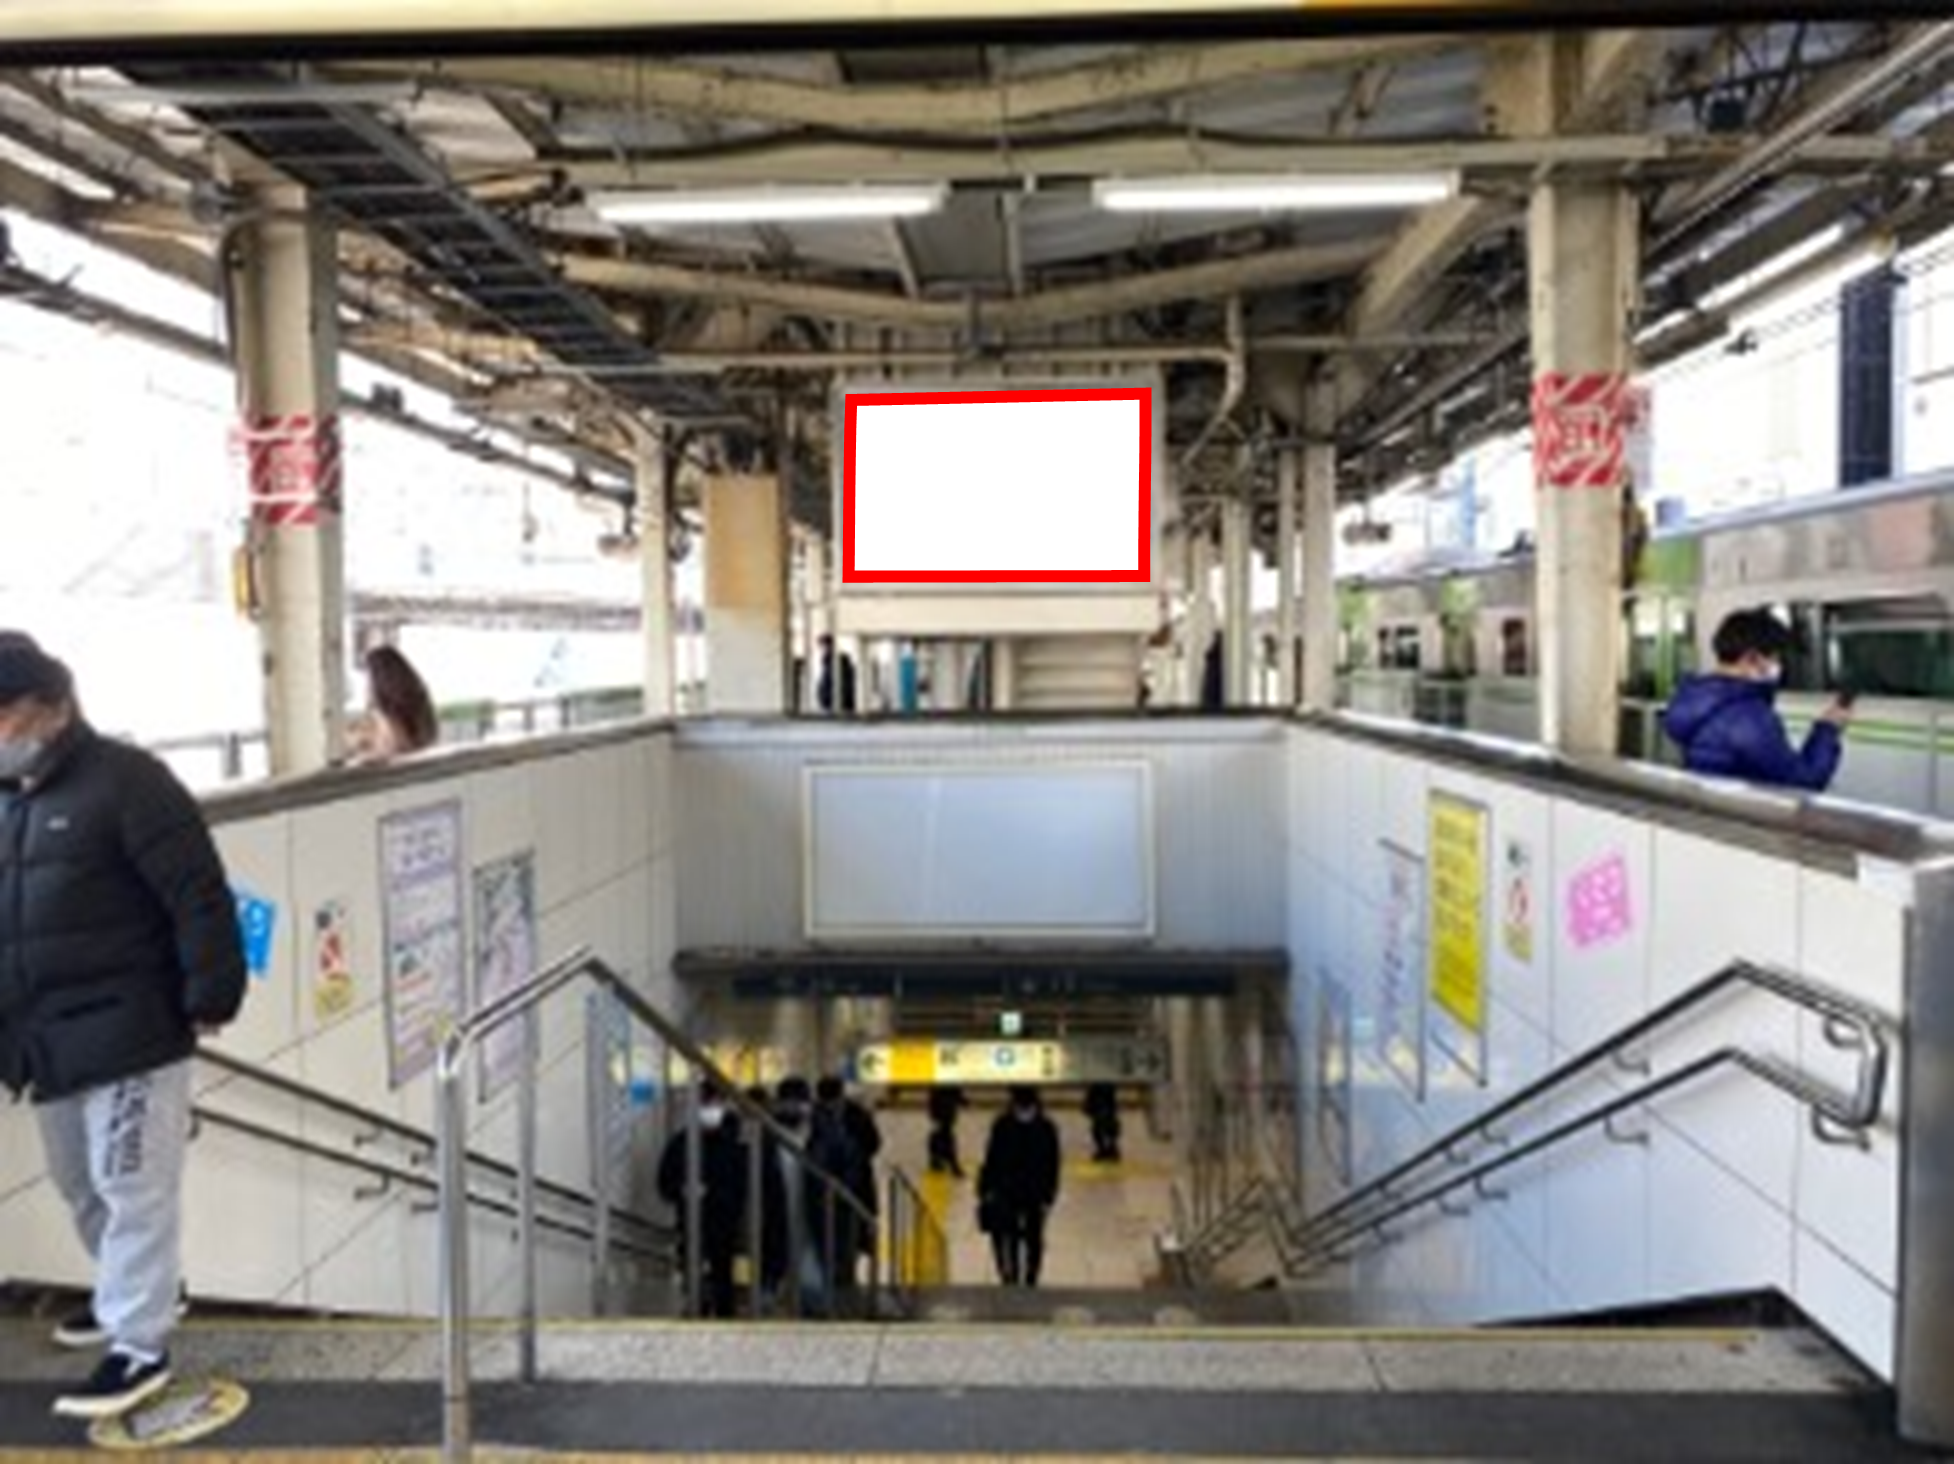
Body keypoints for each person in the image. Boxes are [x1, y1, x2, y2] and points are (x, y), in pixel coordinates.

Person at [0, 633, 247, 1418]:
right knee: (80, 1186)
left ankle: (139, 1344)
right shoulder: (8, 800)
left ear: (54, 707)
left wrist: (212, 992)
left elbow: (197, 893)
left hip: (134, 1028)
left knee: (131, 1185)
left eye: (4, 714)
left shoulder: (128, 780)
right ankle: (136, 1291)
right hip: (47, 1039)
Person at [1661, 608, 1852, 793]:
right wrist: (1828, 730)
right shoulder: (1749, 717)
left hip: (1711, 807)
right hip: (1741, 811)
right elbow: (1803, 783)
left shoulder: (1696, 700)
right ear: (1751, 658)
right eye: (1775, 658)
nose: (1778, 666)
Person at [655, 1083, 748, 1318]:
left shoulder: (737, 1144)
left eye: (715, 1103)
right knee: (695, 1286)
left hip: (726, 1229)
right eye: (705, 1103)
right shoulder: (681, 1144)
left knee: (724, 1286)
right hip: (691, 1227)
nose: (710, 1109)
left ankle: (722, 1316)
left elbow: (745, 1186)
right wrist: (682, 1190)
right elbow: (665, 1183)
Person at [978, 1086, 1062, 1288]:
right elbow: (1053, 1164)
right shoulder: (1045, 1127)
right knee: (1026, 1237)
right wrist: (1049, 1194)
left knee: (1020, 1237)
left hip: (1017, 1190)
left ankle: (1018, 1278)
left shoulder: (1003, 1125)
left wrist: (985, 1188)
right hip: (1024, 1192)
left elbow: (991, 1159)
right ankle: (1023, 1278)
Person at [349, 644, 439, 762]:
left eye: (367, 678)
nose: (366, 686)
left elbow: (398, 750)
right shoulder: (417, 700)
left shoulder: (389, 712)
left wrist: (365, 758)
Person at [926, 1084, 967, 1177]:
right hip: (944, 1104)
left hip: (943, 1104)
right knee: (946, 1134)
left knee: (943, 1132)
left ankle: (937, 1159)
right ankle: (951, 1163)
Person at [815, 635, 858, 714]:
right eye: (820, 648)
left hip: (839, 706)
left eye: (823, 647)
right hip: (829, 705)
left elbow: (847, 684)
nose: (821, 651)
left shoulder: (840, 661)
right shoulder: (826, 662)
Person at [1083, 1082, 1122, 1163]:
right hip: (1101, 1099)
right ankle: (1106, 1149)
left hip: (1103, 1100)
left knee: (1104, 1124)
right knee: (1100, 1125)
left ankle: (1108, 1148)